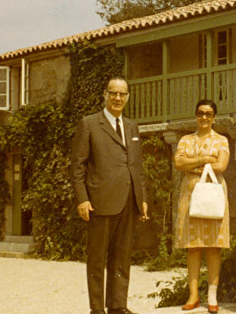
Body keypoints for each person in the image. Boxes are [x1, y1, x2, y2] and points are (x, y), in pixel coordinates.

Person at [70, 76, 149, 314]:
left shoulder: (132, 126)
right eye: (113, 93)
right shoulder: (90, 124)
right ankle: (97, 309)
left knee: (122, 256)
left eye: (122, 94)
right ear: (105, 95)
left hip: (128, 200)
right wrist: (82, 198)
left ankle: (117, 305)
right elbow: (77, 166)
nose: (117, 98)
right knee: (97, 258)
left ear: (127, 97)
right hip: (99, 202)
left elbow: (136, 166)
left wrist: (142, 198)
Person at [174, 99, 230, 314]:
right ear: (195, 115)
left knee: (214, 246)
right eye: (200, 113)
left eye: (208, 114)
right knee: (193, 246)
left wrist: (193, 163)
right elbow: (178, 163)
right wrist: (205, 159)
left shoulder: (221, 140)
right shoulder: (186, 140)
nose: (204, 117)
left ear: (214, 117)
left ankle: (212, 295)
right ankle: (193, 295)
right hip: (190, 196)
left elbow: (221, 165)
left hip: (214, 195)